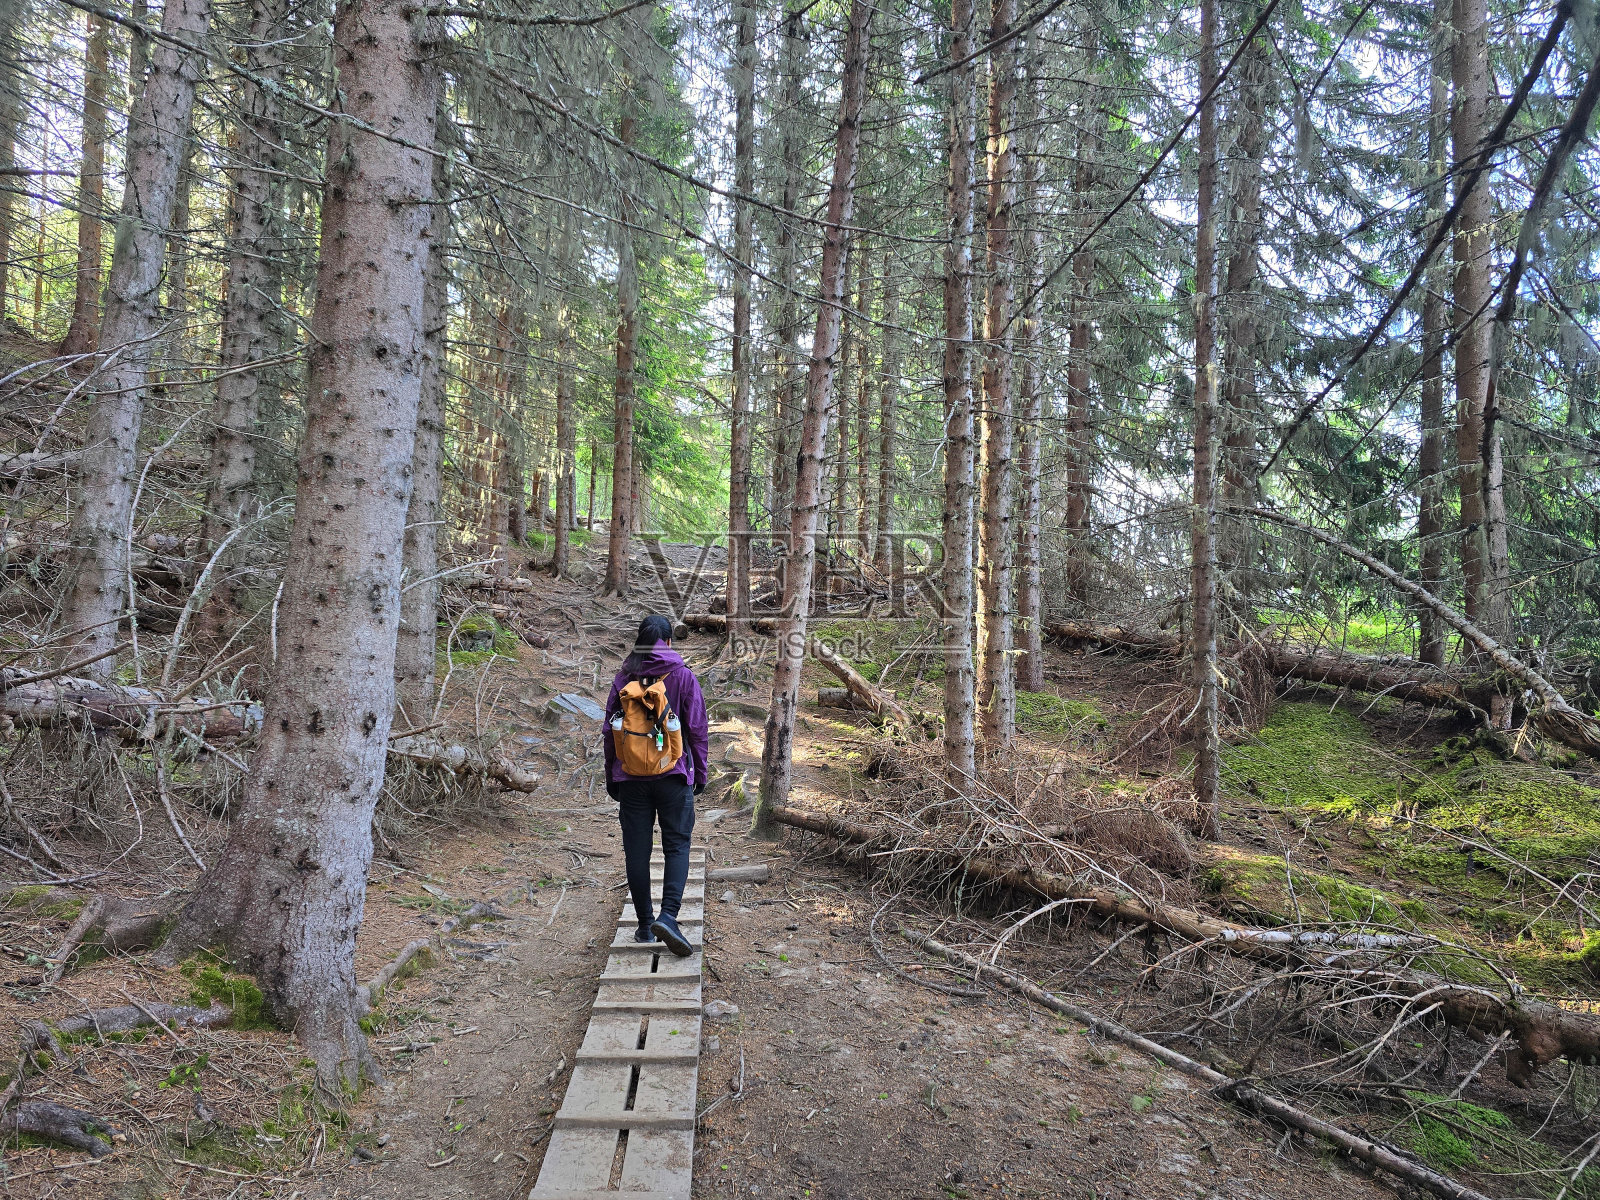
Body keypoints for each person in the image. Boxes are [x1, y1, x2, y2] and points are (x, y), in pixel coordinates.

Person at [602, 613, 708, 956]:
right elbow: (697, 729)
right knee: (677, 845)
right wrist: (700, 773)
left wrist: (613, 775)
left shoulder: (624, 677)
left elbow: (609, 731)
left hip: (631, 779)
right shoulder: (683, 676)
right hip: (673, 775)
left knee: (637, 851)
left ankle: (645, 926)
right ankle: (669, 917)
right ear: (669, 642)